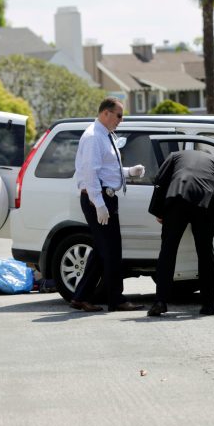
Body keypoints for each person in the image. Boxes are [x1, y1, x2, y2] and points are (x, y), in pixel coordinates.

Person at [70, 97, 145, 312]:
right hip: (99, 198)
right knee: (112, 250)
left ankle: (80, 296)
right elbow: (90, 173)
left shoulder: (104, 135)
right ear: (106, 113)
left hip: (104, 196)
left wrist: (129, 172)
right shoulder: (94, 137)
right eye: (119, 115)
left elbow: (107, 169)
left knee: (102, 250)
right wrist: (99, 203)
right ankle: (116, 299)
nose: (121, 120)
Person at [147, 148, 214, 316]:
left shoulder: (176, 155)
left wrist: (158, 211)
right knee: (205, 252)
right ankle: (208, 305)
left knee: (168, 251)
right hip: (207, 200)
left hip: (178, 196)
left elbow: (160, 180)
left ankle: (160, 302)